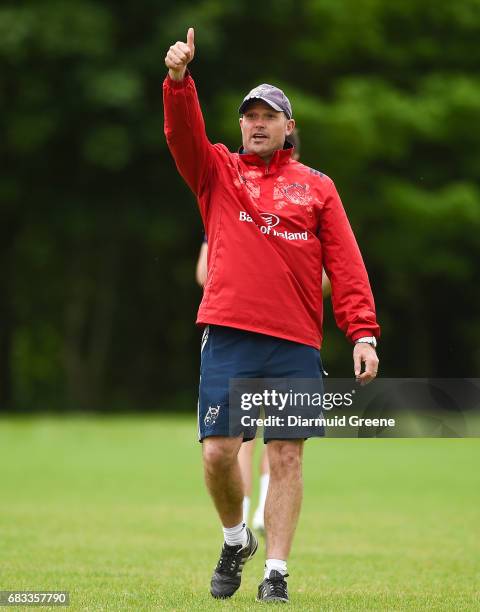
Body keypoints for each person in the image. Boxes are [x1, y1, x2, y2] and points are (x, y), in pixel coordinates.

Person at [164, 28, 380, 604]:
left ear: (289, 127)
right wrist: (179, 82)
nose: (257, 123)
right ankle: (236, 539)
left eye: (269, 116)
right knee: (217, 453)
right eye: (248, 116)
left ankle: (277, 572)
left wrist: (362, 332)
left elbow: (347, 264)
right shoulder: (216, 173)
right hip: (230, 336)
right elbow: (182, 135)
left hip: (293, 344)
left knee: (285, 456)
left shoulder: (317, 188)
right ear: (240, 126)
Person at [195, 129, 331, 536]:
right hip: (238, 327)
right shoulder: (230, 199)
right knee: (238, 438)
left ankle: (260, 510)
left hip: (289, 331)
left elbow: (328, 273)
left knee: (282, 439)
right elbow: (206, 271)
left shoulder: (311, 196)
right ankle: (248, 512)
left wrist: (288, 280)